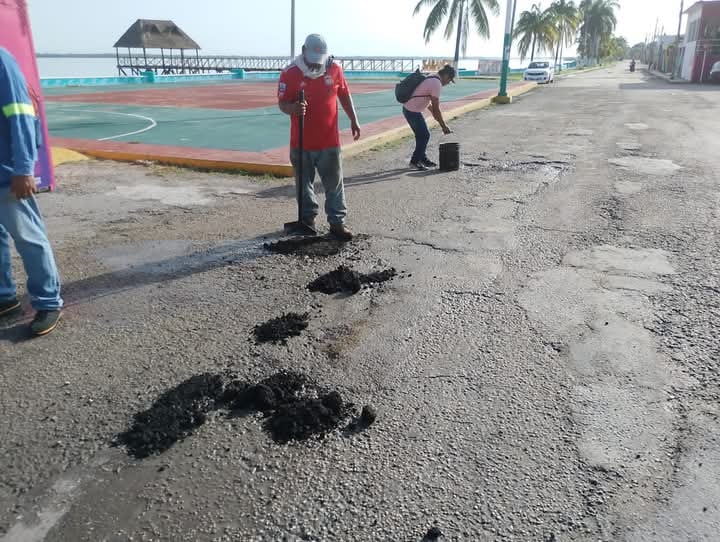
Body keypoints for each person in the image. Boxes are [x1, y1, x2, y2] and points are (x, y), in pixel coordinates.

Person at [0, 47, 62, 336]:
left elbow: (21, 113)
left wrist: (24, 169)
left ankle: (48, 302)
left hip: (8, 172)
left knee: (28, 237)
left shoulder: (1, 59)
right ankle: (5, 298)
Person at [277, 34, 360, 240]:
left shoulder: (335, 69)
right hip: (301, 142)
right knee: (303, 184)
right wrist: (293, 108)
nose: (315, 66)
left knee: (334, 184)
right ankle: (307, 220)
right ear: (303, 50)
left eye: (318, 61)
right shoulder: (290, 73)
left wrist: (353, 118)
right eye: (311, 61)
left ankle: (337, 223)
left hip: (329, 141)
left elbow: (344, 94)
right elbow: (282, 103)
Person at [402, 64, 456, 171]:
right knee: (425, 135)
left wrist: (437, 118)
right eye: (449, 80)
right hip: (412, 111)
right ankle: (414, 161)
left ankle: (422, 158)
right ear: (445, 76)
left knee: (421, 135)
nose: (448, 83)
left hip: (411, 109)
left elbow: (429, 105)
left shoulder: (433, 77)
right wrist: (443, 126)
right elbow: (436, 108)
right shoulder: (436, 83)